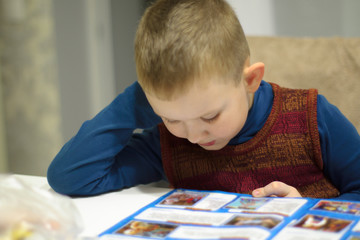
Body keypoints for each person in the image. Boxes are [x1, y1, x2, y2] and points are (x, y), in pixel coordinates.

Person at [47, 0, 360, 200]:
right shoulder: (167, 141)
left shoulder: (310, 116)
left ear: (250, 80)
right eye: (172, 118)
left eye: (210, 117)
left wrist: (310, 211)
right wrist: (134, 104)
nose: (194, 136)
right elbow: (71, 177)